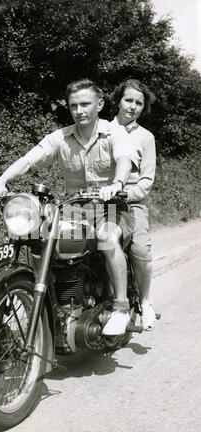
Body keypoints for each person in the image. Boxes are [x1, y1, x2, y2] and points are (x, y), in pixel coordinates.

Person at [0, 78, 139, 336]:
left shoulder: (116, 134)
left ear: (100, 104)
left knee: (106, 238)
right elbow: (28, 160)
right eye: (73, 106)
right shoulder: (60, 137)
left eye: (85, 104)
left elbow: (123, 159)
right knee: (36, 236)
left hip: (112, 207)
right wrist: (2, 180)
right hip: (73, 209)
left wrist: (117, 183)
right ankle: (46, 302)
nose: (79, 111)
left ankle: (121, 308)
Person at [109, 78, 156, 330]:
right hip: (99, 199)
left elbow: (147, 180)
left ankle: (146, 301)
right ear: (118, 100)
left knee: (140, 248)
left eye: (139, 103)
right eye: (128, 100)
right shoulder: (103, 129)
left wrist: (126, 194)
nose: (133, 106)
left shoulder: (146, 137)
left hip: (131, 201)